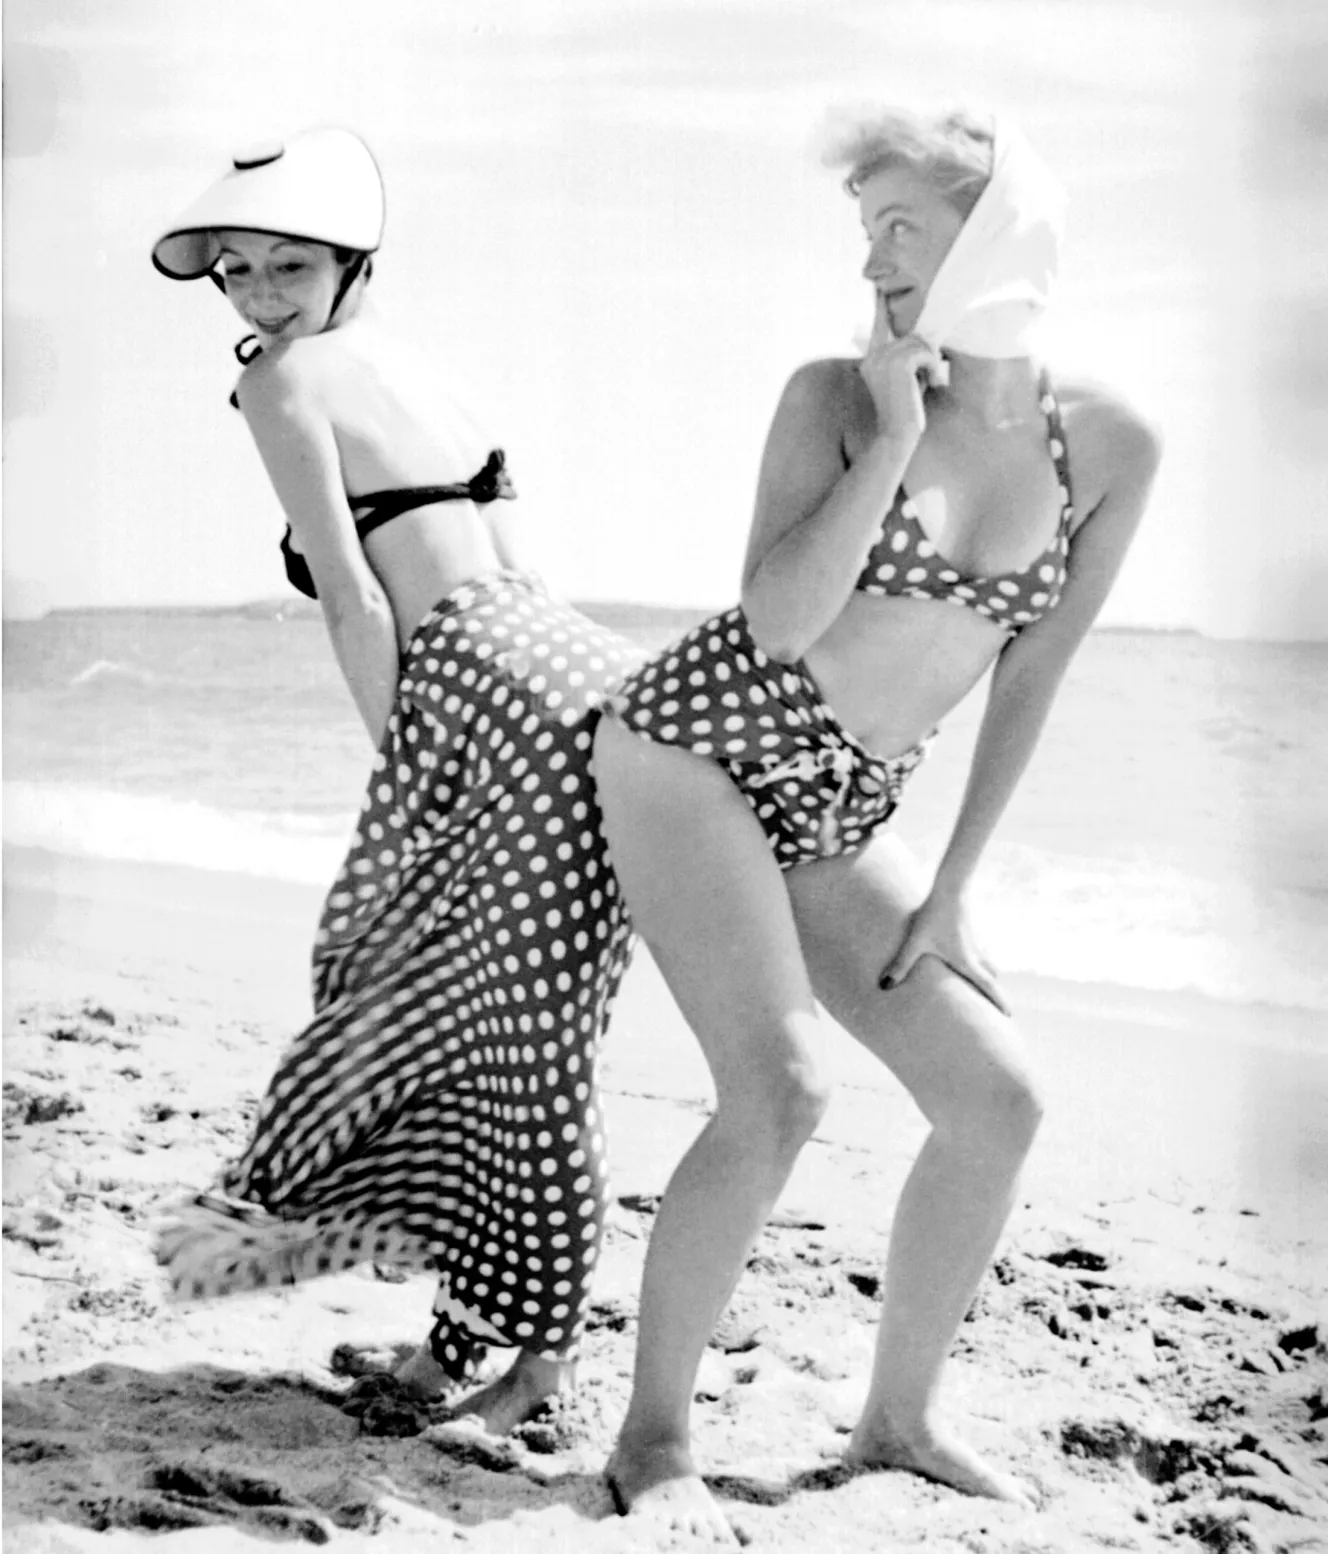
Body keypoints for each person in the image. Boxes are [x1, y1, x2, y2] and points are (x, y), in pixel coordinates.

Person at [591, 106, 1161, 1539]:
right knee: (780, 1090)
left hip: (845, 800)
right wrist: (893, 429)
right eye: (867, 235)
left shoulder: (1108, 443)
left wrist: (954, 887)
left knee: (998, 1097)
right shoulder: (831, 399)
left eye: (901, 228)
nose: (874, 266)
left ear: (999, 236)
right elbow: (778, 624)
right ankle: (653, 1437)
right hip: (693, 751)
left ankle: (897, 1418)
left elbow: (1035, 673)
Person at [149, 127, 642, 1431]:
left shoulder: (284, 382)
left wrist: (414, 765)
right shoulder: (413, 366)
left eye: (285, 267)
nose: (257, 296)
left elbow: (355, 600)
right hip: (575, 667)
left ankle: (535, 1359)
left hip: (484, 696)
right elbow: (514, 563)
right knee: (518, 1035)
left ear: (349, 258)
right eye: (237, 272)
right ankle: (471, 1341)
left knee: (494, 1042)